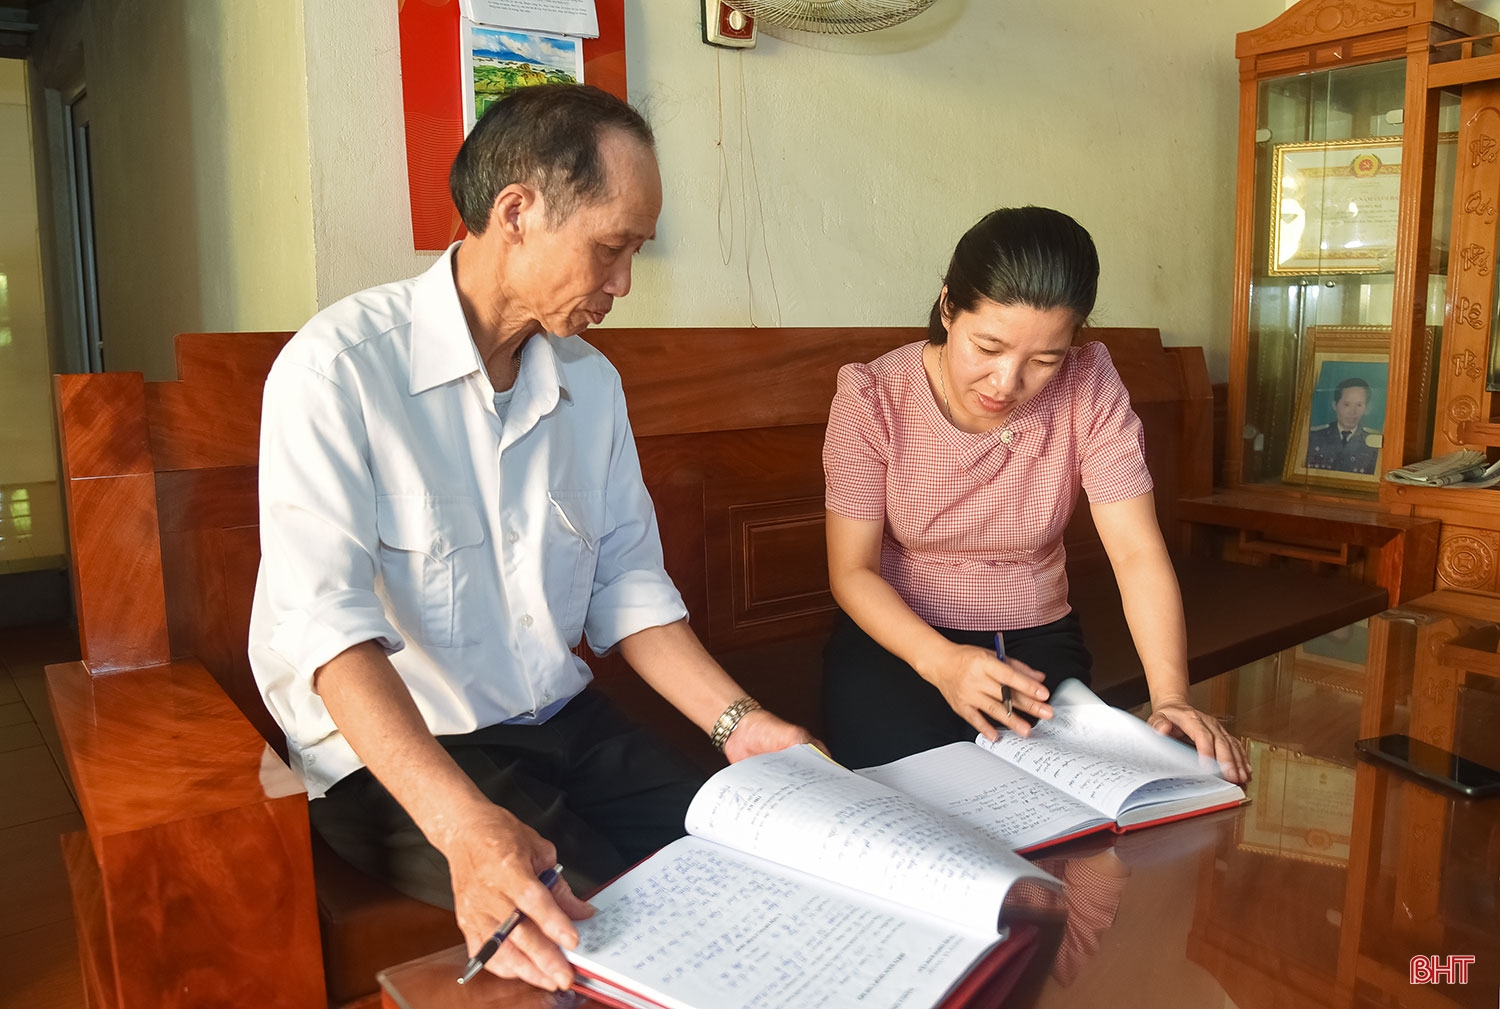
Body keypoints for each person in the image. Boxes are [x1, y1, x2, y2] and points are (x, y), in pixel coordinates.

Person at [248, 84, 813, 993]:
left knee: (764, 855)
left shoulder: (591, 386)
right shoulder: (339, 370)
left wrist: (743, 726)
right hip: (405, 752)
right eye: (612, 247)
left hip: (566, 721)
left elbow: (628, 587)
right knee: (620, 932)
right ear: (517, 212)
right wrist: (466, 825)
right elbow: (326, 633)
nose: (624, 282)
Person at [820, 206, 1250, 784]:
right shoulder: (873, 398)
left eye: (1044, 360)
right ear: (949, 307)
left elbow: (1136, 554)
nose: (1007, 383)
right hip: (902, 645)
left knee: (1076, 825)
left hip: (1037, 646)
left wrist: (1170, 695)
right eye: (988, 347)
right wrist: (943, 661)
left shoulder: (1088, 384)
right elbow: (852, 571)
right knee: (917, 809)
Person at [1305, 376, 1381, 474]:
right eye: (1347, 404)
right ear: (1335, 405)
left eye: (1359, 405)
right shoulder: (1315, 437)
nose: (1353, 412)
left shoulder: (1374, 441)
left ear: (1365, 408)